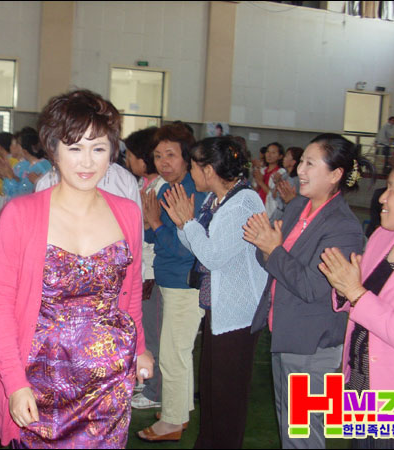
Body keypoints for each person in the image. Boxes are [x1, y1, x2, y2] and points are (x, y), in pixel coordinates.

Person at [0, 89, 153, 448]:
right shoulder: (20, 215)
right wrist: (14, 383)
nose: (87, 161)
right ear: (54, 149)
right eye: (75, 147)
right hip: (39, 383)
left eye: (99, 148)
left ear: (112, 151)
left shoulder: (127, 212)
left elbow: (131, 291)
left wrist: (139, 347)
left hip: (109, 383)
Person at [243, 133, 368, 448]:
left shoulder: (343, 227)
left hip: (313, 344)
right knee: (289, 423)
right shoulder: (298, 205)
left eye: (310, 164)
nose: (300, 170)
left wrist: (274, 249)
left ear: (335, 174)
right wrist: (268, 246)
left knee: (302, 432)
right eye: (301, 161)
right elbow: (267, 254)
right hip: (285, 331)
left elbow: (313, 287)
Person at [162, 136, 268, 448]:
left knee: (227, 395)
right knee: (211, 388)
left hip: (238, 315)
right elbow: (200, 246)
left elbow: (213, 257)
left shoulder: (243, 203)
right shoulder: (217, 199)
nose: (191, 173)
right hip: (218, 308)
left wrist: (188, 223)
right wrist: (184, 225)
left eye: (194, 167)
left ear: (208, 170)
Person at [319, 148, 394, 449]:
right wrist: (343, 288)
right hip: (360, 383)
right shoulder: (383, 238)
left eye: (392, 191)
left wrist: (355, 291)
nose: (382, 198)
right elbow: (359, 298)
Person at [137, 123, 206, 442]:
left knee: (172, 354)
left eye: (171, 155)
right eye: (158, 156)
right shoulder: (167, 188)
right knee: (178, 351)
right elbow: (155, 238)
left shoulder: (193, 191)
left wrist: (153, 222)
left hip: (184, 282)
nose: (163, 162)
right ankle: (180, 411)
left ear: (186, 157)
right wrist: (149, 221)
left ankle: (172, 422)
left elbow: (184, 248)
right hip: (169, 278)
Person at [124, 127, 166, 410]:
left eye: (130, 155)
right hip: (142, 267)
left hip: (152, 269)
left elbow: (151, 227)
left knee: (152, 332)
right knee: (143, 330)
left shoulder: (160, 187)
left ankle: (155, 391)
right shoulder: (144, 184)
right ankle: (146, 378)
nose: (127, 160)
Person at [1, 127, 52, 198]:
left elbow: (22, 195)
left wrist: (10, 176)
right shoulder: (28, 166)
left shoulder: (41, 166)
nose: (15, 148)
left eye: (18, 144)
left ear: (24, 149)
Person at [270, 146, 304, 222]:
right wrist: (277, 182)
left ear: (293, 162)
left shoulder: (296, 180)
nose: (284, 158)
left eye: (287, 156)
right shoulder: (284, 175)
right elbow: (274, 196)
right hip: (278, 213)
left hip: (286, 215)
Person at [253, 142, 285, 206]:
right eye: (268, 152)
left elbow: (274, 195)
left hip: (271, 207)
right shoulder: (262, 170)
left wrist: (261, 182)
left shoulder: (281, 172)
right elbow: (255, 191)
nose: (269, 155)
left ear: (280, 156)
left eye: (273, 153)